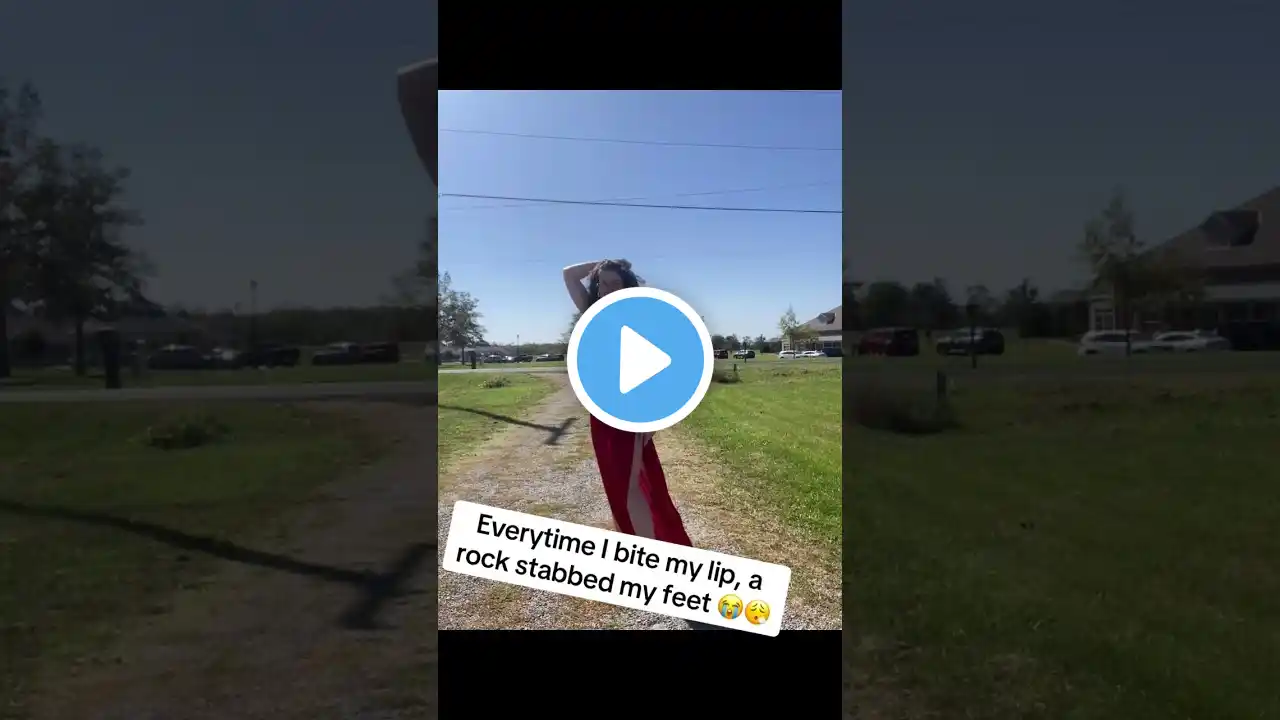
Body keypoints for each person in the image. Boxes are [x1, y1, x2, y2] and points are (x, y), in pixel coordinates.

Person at [563, 259, 694, 547]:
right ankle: (632, 540)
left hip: (630, 409)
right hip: (600, 411)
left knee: (631, 483)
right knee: (616, 481)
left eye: (615, 283)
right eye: (603, 283)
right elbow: (569, 274)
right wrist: (600, 264)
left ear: (626, 287)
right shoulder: (591, 312)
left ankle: (645, 552)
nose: (608, 289)